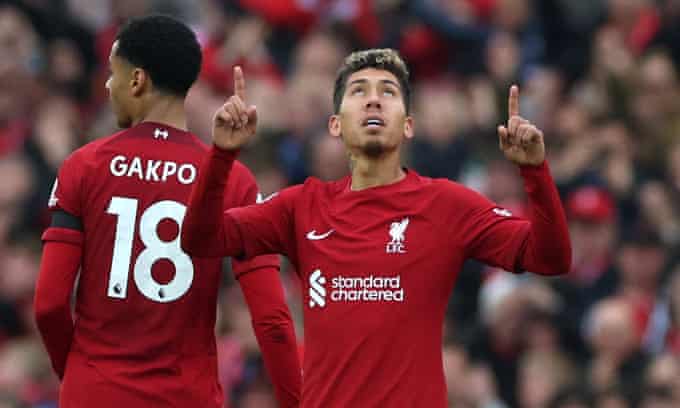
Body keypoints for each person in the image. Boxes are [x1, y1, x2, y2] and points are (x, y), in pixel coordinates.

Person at [182, 49, 572, 407]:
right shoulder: (301, 206)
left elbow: (550, 258)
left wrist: (535, 171)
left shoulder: (447, 205)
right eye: (358, 91)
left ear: (408, 125)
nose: (373, 100)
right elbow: (201, 238)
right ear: (335, 125)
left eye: (388, 91)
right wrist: (222, 154)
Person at [32, 15, 301, 408]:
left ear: (137, 80)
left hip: (95, 392)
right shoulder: (233, 180)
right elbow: (272, 320)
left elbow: (49, 305)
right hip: (186, 396)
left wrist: (75, 374)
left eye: (113, 73)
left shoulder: (83, 167)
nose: (107, 86)